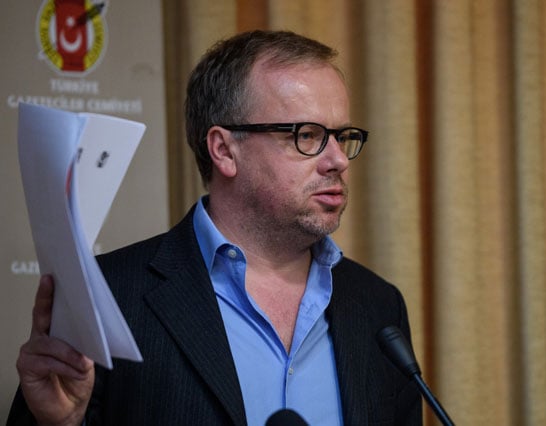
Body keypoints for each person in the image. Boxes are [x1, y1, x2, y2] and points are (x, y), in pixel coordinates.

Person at [8, 30, 421, 425]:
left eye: (342, 136)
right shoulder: (108, 295)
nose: (338, 160)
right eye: (307, 135)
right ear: (224, 150)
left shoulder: (378, 306)